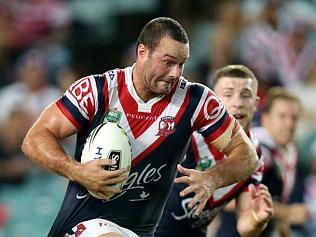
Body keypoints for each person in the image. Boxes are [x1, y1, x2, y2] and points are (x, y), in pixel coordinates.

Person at [21, 17, 258, 237]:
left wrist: (213, 178)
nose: (176, 73)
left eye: (182, 64)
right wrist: (76, 170)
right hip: (84, 225)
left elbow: (247, 154)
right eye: (168, 62)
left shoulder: (196, 101)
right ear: (142, 52)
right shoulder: (98, 90)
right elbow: (34, 139)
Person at [155, 65, 273, 237]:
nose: (238, 103)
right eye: (228, 94)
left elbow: (245, 227)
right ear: (213, 102)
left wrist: (257, 219)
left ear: (255, 104)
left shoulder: (255, 155)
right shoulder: (189, 136)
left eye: (245, 95)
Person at [217, 87, 309, 237]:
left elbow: (275, 197)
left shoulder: (289, 151)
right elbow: (227, 201)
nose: (289, 124)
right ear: (266, 118)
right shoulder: (255, 150)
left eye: (294, 118)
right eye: (282, 116)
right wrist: (286, 213)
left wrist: (281, 225)